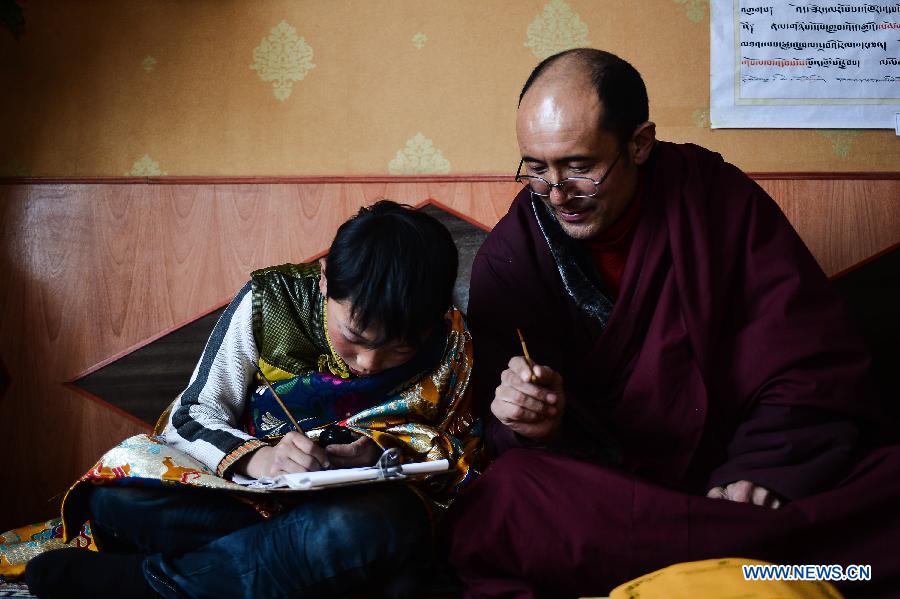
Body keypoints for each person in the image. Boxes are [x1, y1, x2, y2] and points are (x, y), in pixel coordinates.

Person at [445, 48, 900, 598]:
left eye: (580, 168)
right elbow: (497, 427)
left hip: (733, 474)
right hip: (616, 495)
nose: (557, 195)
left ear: (640, 143)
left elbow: (809, 359)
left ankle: (719, 548)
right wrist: (530, 422)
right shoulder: (513, 255)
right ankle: (761, 558)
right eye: (537, 170)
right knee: (508, 497)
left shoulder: (716, 202)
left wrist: (761, 469)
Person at [23, 200, 481, 598]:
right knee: (116, 500)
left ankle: (156, 585)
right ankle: (287, 568)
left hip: (354, 510)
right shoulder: (273, 303)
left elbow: (463, 460)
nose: (367, 363)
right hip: (244, 499)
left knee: (380, 524)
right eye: (355, 336)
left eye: (399, 350)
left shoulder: (448, 340)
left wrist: (380, 455)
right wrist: (257, 459)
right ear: (325, 280)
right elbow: (192, 414)